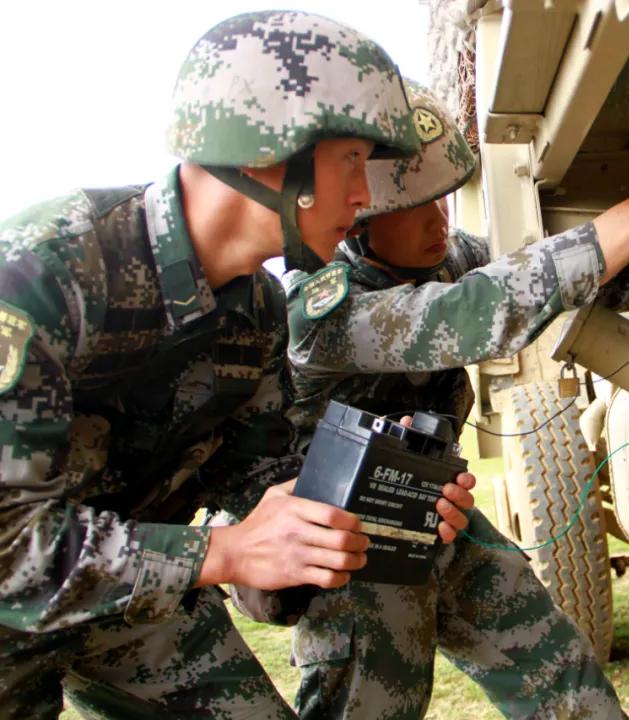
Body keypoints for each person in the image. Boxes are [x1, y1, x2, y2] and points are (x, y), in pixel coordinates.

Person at [0, 12, 474, 719]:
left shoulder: (256, 309)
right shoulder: (43, 275)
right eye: (350, 159)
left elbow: (259, 479)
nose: (366, 196)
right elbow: (10, 549)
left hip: (139, 602)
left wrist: (378, 487)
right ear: (265, 152)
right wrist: (218, 555)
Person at [266, 80, 629, 720]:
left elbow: (572, 281)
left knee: (565, 683)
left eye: (445, 198)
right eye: (417, 206)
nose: (441, 219)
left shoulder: (449, 259)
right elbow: (487, 306)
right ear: (360, 219)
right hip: (348, 548)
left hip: (435, 514)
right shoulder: (323, 313)